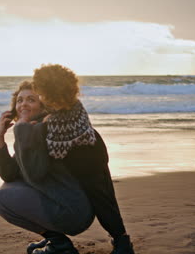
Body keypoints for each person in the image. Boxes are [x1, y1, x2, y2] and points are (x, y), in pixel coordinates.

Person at [32, 64, 135, 254]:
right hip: (94, 149)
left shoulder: (56, 120)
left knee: (101, 201)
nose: (38, 95)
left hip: (87, 161)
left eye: (41, 91)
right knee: (105, 198)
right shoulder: (74, 105)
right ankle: (119, 238)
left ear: (49, 93)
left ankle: (122, 242)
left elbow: (56, 149)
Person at [0, 80, 94, 254]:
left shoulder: (45, 129)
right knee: (10, 186)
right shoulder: (30, 129)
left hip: (72, 211)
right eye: (20, 100)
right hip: (64, 205)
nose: (23, 104)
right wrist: (0, 139)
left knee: (1, 199)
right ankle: (56, 240)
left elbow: (35, 174)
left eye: (31, 99)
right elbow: (9, 174)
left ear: (43, 106)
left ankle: (59, 245)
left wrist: (22, 129)